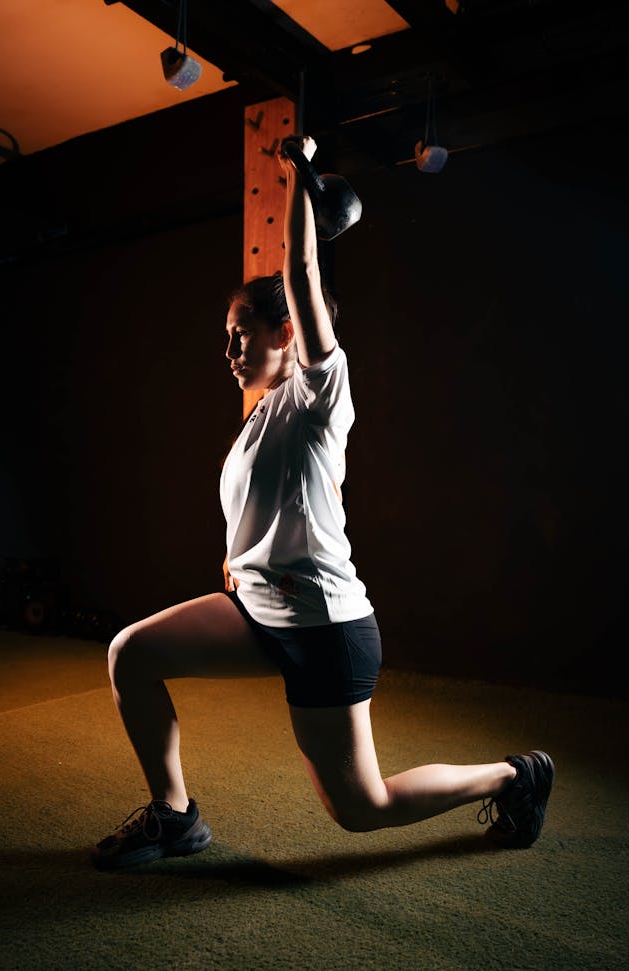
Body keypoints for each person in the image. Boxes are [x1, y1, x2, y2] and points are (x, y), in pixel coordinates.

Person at [92, 136, 554, 870]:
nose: (230, 349)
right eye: (227, 337)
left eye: (241, 334)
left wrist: (297, 183)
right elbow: (262, 513)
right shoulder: (259, 420)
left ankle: (514, 774)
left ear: (287, 333)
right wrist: (238, 563)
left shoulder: (317, 394)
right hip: (260, 611)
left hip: (326, 628)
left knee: (360, 810)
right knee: (132, 653)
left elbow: (303, 275)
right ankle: (175, 817)